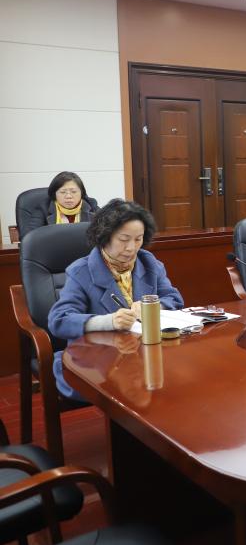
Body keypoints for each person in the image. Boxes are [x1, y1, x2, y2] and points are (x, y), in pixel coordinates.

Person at [47, 199, 184, 400]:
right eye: (124, 239)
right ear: (105, 236)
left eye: (138, 239)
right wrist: (109, 321)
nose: (131, 248)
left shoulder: (148, 262)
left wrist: (153, 306)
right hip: (97, 358)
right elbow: (59, 320)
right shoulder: (80, 271)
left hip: (143, 354)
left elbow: (174, 299)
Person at [21, 171, 100, 237]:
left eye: (73, 192)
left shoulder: (92, 206)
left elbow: (105, 231)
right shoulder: (43, 208)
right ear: (54, 194)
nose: (68, 196)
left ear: (82, 193)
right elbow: (29, 237)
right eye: (63, 192)